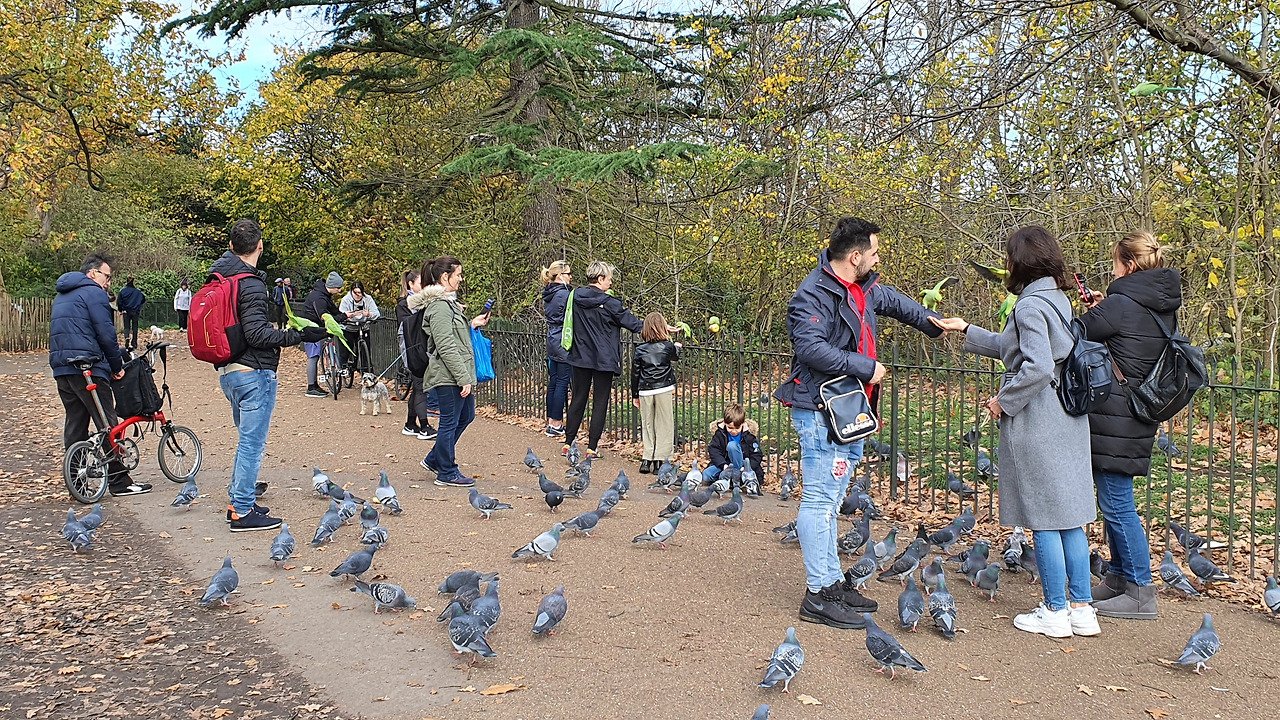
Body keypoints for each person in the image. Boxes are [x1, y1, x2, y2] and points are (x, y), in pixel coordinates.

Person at [773, 216, 942, 630]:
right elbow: (811, 349)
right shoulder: (812, 294)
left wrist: (934, 324)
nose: (878, 258)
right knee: (819, 501)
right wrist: (866, 367)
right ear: (855, 256)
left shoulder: (861, 286)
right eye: (875, 252)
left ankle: (832, 583)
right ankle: (817, 595)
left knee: (832, 501)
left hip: (850, 412)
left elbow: (897, 303)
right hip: (820, 411)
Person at [931, 225, 1099, 638]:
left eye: (1008, 256)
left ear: (1020, 261)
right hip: (1067, 418)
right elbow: (1020, 349)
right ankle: (1081, 609)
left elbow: (1037, 367)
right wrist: (966, 329)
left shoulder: (1028, 307)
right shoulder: (1056, 298)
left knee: (1042, 519)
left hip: (1039, 420)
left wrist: (1003, 401)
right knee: (1070, 518)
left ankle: (1054, 610)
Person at [1076, 231, 1180, 620]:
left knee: (1118, 503)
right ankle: (1119, 578)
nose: (1112, 269)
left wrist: (1100, 309)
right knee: (1114, 499)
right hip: (1136, 413)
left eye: (1115, 262)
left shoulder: (1121, 303)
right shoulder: (1159, 305)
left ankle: (1140, 590)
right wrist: (1104, 306)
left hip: (1116, 417)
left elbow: (1073, 332)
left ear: (1129, 265)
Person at [212, 220, 326, 531]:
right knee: (252, 444)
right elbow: (257, 335)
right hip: (253, 372)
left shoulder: (221, 277)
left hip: (229, 370)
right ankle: (242, 511)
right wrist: (298, 336)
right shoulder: (249, 283)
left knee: (246, 441)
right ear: (259, 246)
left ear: (232, 246)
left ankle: (239, 501)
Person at [49, 253, 151, 497]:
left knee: (75, 424)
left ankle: (76, 482)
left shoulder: (63, 294)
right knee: (107, 423)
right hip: (89, 368)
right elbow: (106, 334)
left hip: (63, 368)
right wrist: (116, 366)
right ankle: (119, 481)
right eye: (107, 276)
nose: (108, 282)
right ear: (93, 273)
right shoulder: (94, 293)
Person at [411, 256, 489, 487]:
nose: (461, 279)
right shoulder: (439, 306)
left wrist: (471, 324)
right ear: (445, 277)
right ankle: (446, 471)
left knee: (466, 415)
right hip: (447, 375)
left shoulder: (448, 304)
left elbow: (454, 335)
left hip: (455, 372)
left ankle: (435, 459)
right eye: (458, 274)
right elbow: (445, 345)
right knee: (449, 421)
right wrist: (463, 377)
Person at [562, 261, 643, 459]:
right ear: (600, 279)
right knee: (600, 402)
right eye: (609, 278)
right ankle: (592, 448)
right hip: (603, 359)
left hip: (580, 356)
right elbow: (633, 324)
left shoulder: (575, 296)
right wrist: (660, 328)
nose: (611, 282)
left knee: (578, 399)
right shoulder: (610, 303)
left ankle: (568, 443)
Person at [631, 312, 680, 473]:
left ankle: (647, 459)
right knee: (664, 424)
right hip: (663, 388)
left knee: (648, 423)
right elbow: (675, 357)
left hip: (645, 390)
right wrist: (677, 346)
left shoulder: (640, 350)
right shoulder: (668, 346)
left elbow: (635, 374)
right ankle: (660, 460)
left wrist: (635, 395)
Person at [395, 269, 437, 440]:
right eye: (421, 283)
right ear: (411, 284)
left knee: (417, 386)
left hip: (420, 347)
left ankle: (410, 424)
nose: (424, 286)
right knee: (420, 386)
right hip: (413, 350)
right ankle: (425, 426)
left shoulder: (423, 303)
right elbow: (409, 326)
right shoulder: (403, 305)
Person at [300, 272, 353, 397]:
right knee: (313, 356)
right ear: (332, 286)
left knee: (316, 354)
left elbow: (333, 310)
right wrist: (342, 317)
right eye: (338, 288)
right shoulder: (319, 298)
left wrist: (344, 316)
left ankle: (314, 385)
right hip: (310, 329)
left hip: (316, 328)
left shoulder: (324, 295)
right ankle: (311, 387)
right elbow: (324, 316)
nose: (340, 291)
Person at [540, 261, 573, 437]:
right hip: (563, 339)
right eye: (568, 273)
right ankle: (557, 423)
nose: (571, 277)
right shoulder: (565, 294)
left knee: (554, 382)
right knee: (562, 382)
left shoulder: (549, 293)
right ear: (560, 276)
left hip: (553, 338)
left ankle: (551, 421)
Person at [703, 404, 764, 485]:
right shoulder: (720, 434)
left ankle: (735, 477)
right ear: (725, 423)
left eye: (737, 428)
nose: (734, 431)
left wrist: (747, 467)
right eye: (730, 428)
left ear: (743, 424)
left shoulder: (749, 436)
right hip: (726, 464)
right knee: (706, 475)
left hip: (742, 467)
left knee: (732, 446)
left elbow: (757, 455)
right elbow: (714, 450)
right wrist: (723, 465)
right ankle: (729, 478)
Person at [338, 281, 381, 370]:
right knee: (345, 352)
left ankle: (366, 370)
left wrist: (369, 314)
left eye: (360, 293)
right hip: (348, 328)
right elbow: (341, 314)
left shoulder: (368, 299)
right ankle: (344, 369)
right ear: (351, 292)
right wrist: (347, 317)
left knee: (365, 352)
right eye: (355, 293)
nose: (358, 295)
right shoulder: (346, 300)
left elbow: (377, 313)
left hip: (362, 327)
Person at [117, 276, 145, 350]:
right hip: (135, 311)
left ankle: (127, 337)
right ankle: (134, 343)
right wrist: (138, 305)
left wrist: (121, 309)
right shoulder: (138, 292)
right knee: (135, 327)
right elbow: (143, 299)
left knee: (127, 326)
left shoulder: (123, 291)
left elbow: (119, 302)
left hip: (126, 311)